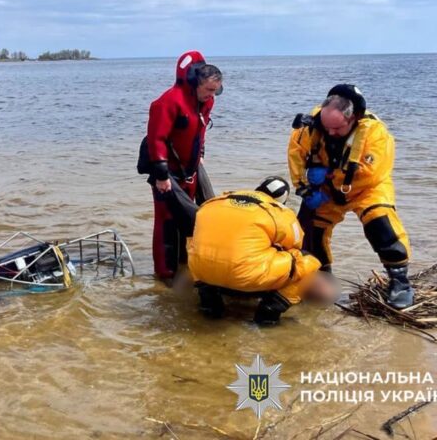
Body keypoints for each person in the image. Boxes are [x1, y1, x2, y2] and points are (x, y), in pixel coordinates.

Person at [288, 84, 414, 309]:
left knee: (381, 226)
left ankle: (400, 281)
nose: (331, 133)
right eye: (327, 128)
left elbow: (371, 173)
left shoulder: (375, 134)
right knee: (313, 232)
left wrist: (328, 174)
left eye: (337, 128)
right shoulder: (313, 125)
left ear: (353, 118)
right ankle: (322, 276)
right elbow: (296, 154)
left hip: (366, 188)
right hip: (326, 190)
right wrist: (304, 186)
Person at [187, 176, 330, 324]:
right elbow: (296, 244)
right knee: (308, 261)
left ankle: (208, 300)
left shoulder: (215, 202)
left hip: (201, 269)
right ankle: (271, 309)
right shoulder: (279, 211)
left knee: (196, 244)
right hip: (244, 275)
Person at [144, 50, 222, 280]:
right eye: (208, 90)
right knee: (167, 222)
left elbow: (200, 131)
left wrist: (201, 154)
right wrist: (160, 175)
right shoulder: (167, 102)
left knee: (191, 220)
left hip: (191, 170)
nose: (211, 95)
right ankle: (165, 274)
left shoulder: (205, 102)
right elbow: (156, 139)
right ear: (194, 81)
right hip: (167, 172)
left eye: (214, 91)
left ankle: (185, 266)